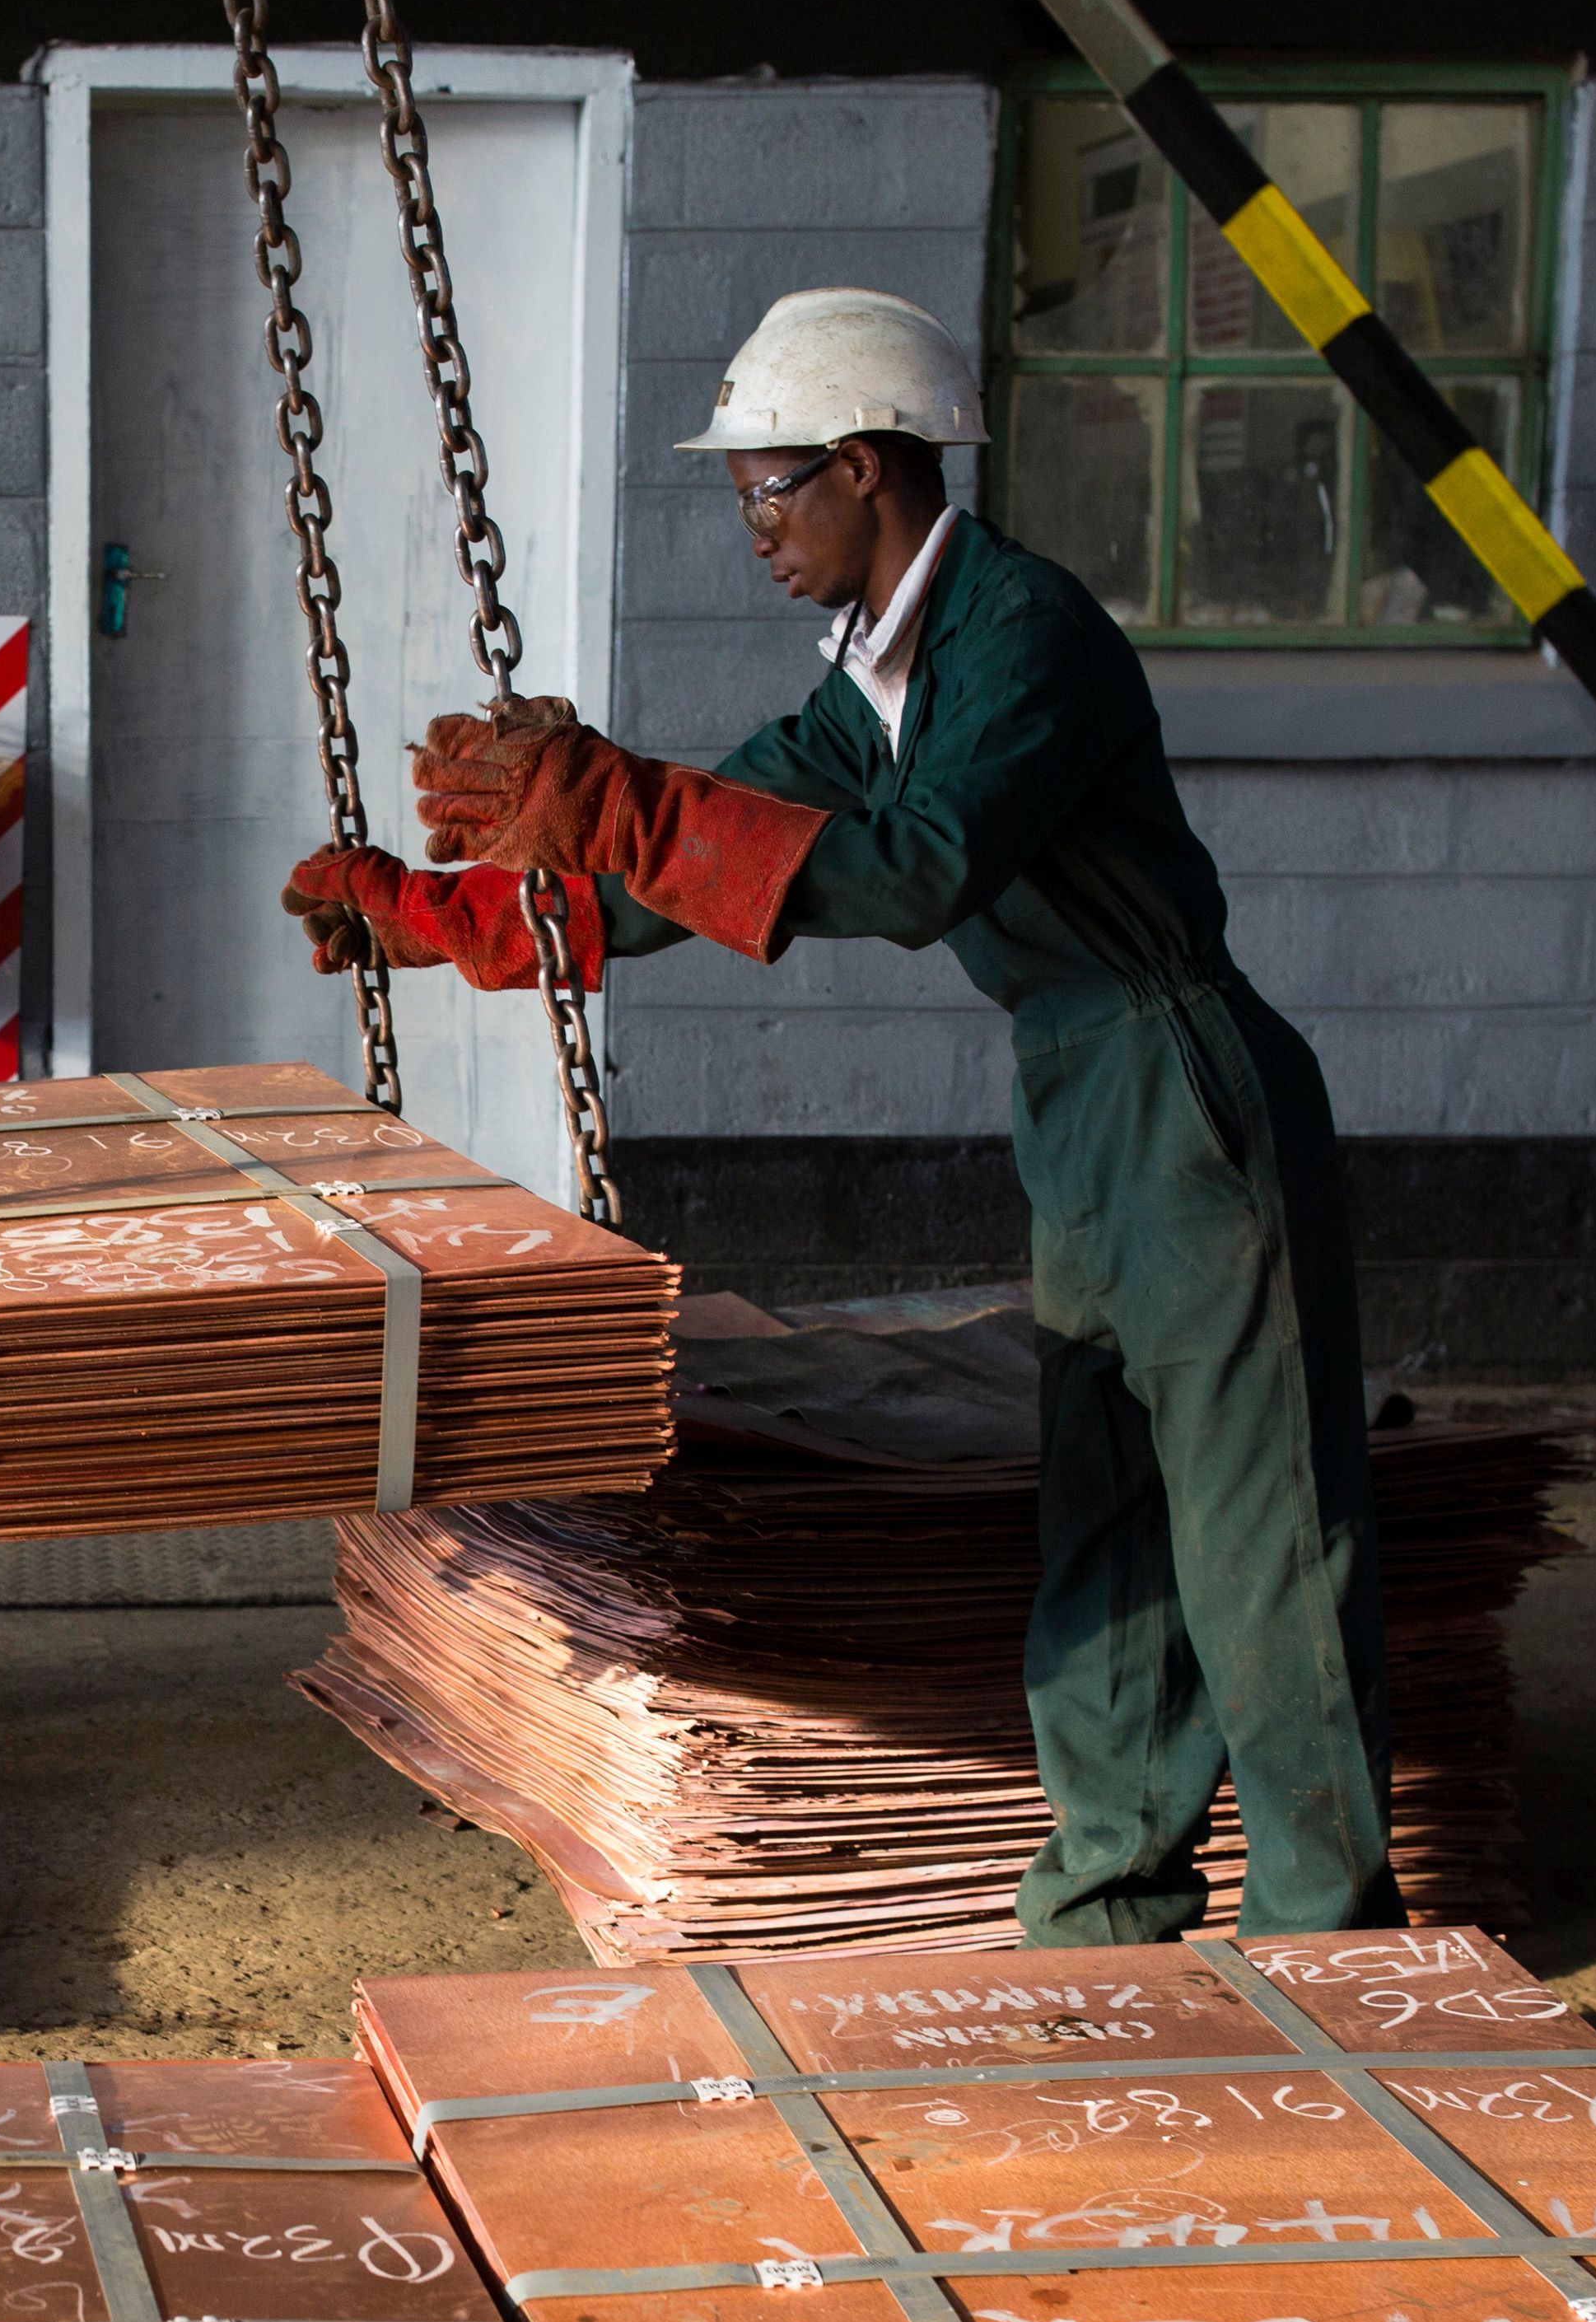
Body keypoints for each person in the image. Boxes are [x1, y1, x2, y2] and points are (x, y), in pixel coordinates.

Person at [281, 287, 1391, 1944]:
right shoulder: (867, 689)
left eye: (768, 488)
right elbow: (699, 867)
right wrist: (433, 918)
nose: (752, 526)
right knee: (1106, 1522)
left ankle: (1330, 1943)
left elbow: (917, 863)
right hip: (1084, 1104)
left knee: (1258, 1545)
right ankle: (1109, 1903)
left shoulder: (1024, 634)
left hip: (1187, 1086)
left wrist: (620, 804)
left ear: (869, 467)